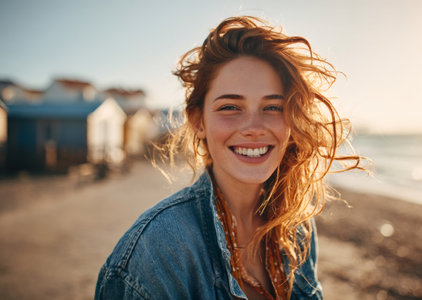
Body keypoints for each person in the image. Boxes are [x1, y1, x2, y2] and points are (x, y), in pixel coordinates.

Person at [95, 16, 362, 299]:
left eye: (272, 107)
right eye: (231, 107)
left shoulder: (296, 227)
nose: (254, 128)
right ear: (198, 121)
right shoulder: (156, 252)